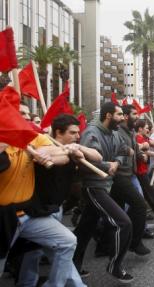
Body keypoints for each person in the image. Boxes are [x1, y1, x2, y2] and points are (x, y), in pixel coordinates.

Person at [0, 103, 80, 287]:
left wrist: (48, 155)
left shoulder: (33, 138)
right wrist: (8, 139)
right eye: (21, 114)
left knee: (66, 241)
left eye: (28, 115)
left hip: (27, 213)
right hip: (2, 217)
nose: (27, 118)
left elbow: (62, 154)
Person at [17, 114, 102, 286]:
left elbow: (97, 157)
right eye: (73, 133)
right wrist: (64, 151)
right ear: (58, 132)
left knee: (55, 248)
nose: (78, 136)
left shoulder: (74, 149)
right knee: (34, 252)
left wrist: (78, 148)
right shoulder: (43, 142)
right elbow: (45, 154)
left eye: (78, 132)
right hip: (32, 211)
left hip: (52, 210)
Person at [73, 102, 134, 284]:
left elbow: (124, 151)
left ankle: (72, 265)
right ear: (108, 115)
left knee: (85, 229)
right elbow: (87, 160)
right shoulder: (91, 133)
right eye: (119, 115)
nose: (123, 118)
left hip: (106, 184)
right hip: (93, 186)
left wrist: (117, 162)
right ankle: (114, 266)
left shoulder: (115, 132)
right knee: (124, 223)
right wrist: (109, 165)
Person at [111, 104, 151, 254]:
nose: (137, 117)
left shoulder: (131, 131)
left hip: (130, 173)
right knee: (139, 205)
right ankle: (135, 242)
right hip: (120, 174)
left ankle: (106, 244)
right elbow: (119, 150)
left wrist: (142, 156)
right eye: (135, 114)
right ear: (126, 116)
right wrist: (128, 152)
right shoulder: (117, 132)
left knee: (122, 209)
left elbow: (134, 149)